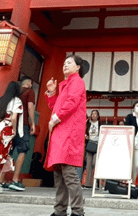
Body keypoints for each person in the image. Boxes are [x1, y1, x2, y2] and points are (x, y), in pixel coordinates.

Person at [45, 54, 88, 216]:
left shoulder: (77, 82)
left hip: (68, 132)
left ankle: (78, 211)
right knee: (59, 175)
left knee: (69, 174)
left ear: (78, 67)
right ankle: (59, 211)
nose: (65, 65)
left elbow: (71, 104)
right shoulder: (64, 84)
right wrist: (51, 93)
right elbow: (56, 107)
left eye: (69, 63)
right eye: (64, 63)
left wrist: (55, 119)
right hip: (60, 132)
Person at [5, 76, 36, 191]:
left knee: (8, 150)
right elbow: (30, 106)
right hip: (22, 124)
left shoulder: (15, 93)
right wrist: (32, 123)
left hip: (10, 123)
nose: (32, 84)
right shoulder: (29, 91)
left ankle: (2, 180)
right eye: (31, 82)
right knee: (23, 150)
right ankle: (15, 179)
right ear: (28, 83)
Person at [123, 100, 138, 187]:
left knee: (136, 165)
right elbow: (127, 128)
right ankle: (127, 180)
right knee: (129, 162)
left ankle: (132, 181)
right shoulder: (129, 117)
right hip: (131, 142)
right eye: (137, 105)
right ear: (134, 108)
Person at [83, 110, 101, 189]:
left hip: (97, 144)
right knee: (88, 164)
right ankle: (88, 183)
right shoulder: (88, 124)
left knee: (95, 163)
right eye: (92, 114)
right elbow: (85, 132)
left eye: (95, 114)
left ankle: (97, 182)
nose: (93, 115)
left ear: (98, 116)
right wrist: (86, 137)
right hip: (89, 144)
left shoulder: (100, 124)